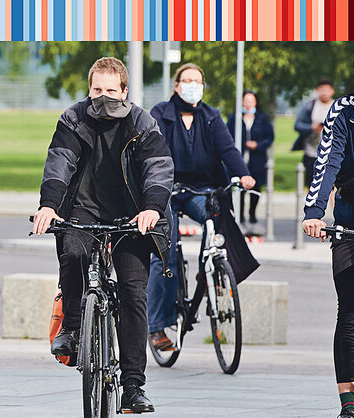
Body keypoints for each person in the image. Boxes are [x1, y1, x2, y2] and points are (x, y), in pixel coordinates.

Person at [31, 57, 174, 413]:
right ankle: (74, 328)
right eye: (97, 90)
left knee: (132, 294)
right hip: (84, 207)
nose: (103, 96)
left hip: (134, 214)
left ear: (125, 91)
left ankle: (133, 387)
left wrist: (153, 207)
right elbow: (59, 160)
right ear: (88, 89)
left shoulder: (142, 122)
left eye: (111, 90)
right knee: (75, 253)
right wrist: (49, 205)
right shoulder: (73, 118)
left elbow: (158, 167)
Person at [145, 63, 255, 352]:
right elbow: (150, 149)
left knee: (215, 215)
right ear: (176, 86)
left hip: (200, 188)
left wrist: (242, 173)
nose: (193, 85)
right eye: (187, 80)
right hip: (165, 189)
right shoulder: (160, 113)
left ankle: (210, 267)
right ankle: (157, 326)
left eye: (198, 80)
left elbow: (228, 149)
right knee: (164, 253)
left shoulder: (210, 116)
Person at [303, 53, 354, 418]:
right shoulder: (343, 111)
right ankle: (348, 402)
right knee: (351, 310)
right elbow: (327, 161)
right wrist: (314, 212)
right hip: (349, 221)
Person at [226, 90, 274, 227]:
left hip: (257, 159)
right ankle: (239, 215)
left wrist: (258, 145)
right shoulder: (234, 118)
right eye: (246, 101)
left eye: (251, 101)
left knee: (256, 188)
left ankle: (252, 213)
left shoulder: (262, 119)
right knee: (239, 188)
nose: (248, 104)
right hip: (239, 159)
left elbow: (269, 137)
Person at [294, 78, 336, 187]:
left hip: (332, 153)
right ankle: (312, 204)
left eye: (327, 90)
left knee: (332, 185)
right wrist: (311, 127)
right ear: (317, 90)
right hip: (311, 152)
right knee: (311, 185)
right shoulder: (310, 106)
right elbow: (297, 125)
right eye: (321, 89)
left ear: (332, 91)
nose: (324, 93)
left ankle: (332, 204)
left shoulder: (337, 107)